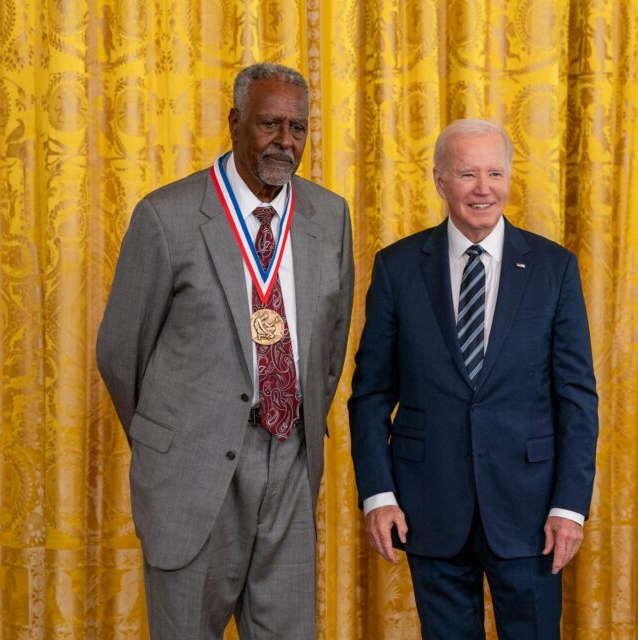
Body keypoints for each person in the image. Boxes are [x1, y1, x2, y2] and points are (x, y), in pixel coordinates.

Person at [97, 62, 353, 639]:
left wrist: (293, 415)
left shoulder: (329, 216)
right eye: (269, 124)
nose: (285, 142)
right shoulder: (167, 216)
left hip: (290, 461)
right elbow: (120, 352)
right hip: (192, 472)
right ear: (236, 123)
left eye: (298, 128)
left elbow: (330, 347)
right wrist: (175, 433)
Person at [348, 118, 598, 639]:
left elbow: (576, 399)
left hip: (532, 513)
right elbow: (370, 394)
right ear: (440, 181)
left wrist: (570, 507)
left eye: (495, 174)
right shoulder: (396, 268)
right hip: (427, 506)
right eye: (467, 174)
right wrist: (378, 495)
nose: (483, 189)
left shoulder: (555, 269)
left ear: (509, 179)